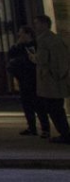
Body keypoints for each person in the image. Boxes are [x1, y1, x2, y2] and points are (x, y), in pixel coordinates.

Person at [33, 14, 70, 144]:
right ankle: (65, 133)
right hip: (53, 79)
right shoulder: (50, 39)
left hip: (51, 80)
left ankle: (65, 134)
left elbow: (48, 60)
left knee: (54, 108)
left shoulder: (48, 40)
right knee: (55, 108)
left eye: (37, 23)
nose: (35, 26)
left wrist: (33, 57)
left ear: (44, 24)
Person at [9, 26, 49, 137]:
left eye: (21, 33)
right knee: (27, 105)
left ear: (28, 34)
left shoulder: (36, 45)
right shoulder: (19, 47)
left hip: (34, 78)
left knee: (38, 104)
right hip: (23, 78)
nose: (19, 35)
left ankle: (45, 128)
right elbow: (11, 55)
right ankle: (32, 127)